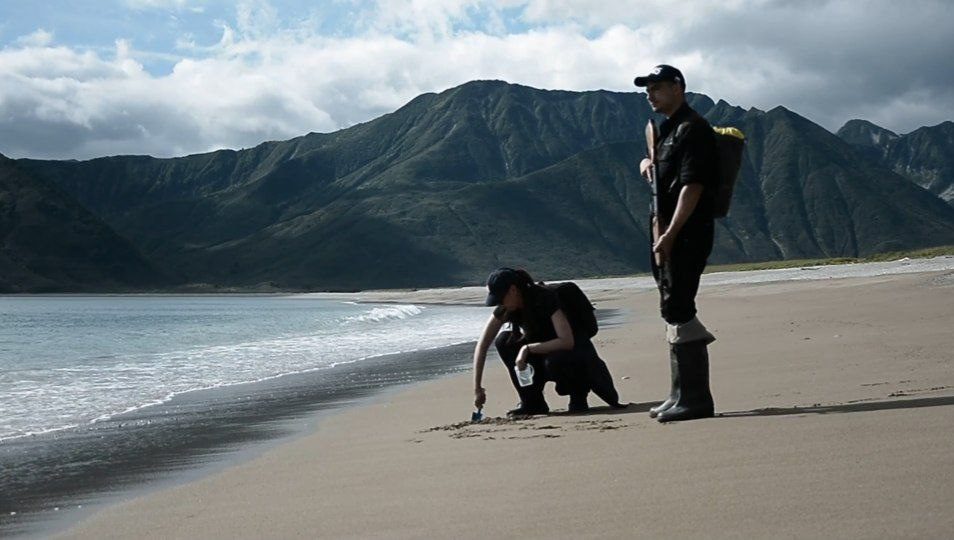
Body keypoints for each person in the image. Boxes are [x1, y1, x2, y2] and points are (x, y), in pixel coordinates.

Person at [634, 65, 718, 422]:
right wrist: (646, 163)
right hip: (665, 233)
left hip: (685, 234)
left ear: (678, 87)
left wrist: (670, 234)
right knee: (671, 306)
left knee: (679, 306)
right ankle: (679, 392)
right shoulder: (666, 130)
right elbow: (663, 177)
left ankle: (696, 398)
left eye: (657, 87)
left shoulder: (693, 128)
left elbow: (693, 187)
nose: (650, 94)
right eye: (647, 89)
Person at [471, 267, 625, 417]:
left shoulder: (545, 298)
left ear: (513, 290)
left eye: (500, 298)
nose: (500, 303)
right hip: (542, 355)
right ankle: (533, 402)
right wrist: (478, 388)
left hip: (572, 356)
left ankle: (578, 394)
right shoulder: (507, 308)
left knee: (555, 360)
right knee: (504, 341)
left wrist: (526, 349)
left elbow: (566, 342)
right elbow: (482, 345)